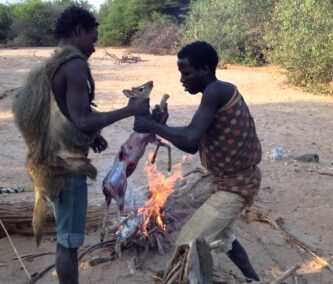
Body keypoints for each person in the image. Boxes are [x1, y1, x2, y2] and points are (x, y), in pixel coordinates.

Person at [12, 6, 149, 284]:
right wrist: (129, 109)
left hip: (51, 162)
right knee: (69, 243)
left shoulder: (53, 63)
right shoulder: (74, 65)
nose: (95, 48)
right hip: (67, 168)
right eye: (93, 39)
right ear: (78, 32)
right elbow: (83, 118)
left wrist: (93, 134)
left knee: (66, 238)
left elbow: (60, 113)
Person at [134, 41, 262, 282]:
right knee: (225, 238)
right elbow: (192, 139)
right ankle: (254, 280)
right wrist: (161, 126)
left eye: (186, 73)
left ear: (204, 69)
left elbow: (191, 138)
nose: (182, 80)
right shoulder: (216, 94)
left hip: (236, 185)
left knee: (188, 243)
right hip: (232, 181)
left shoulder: (216, 91)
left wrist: (153, 125)